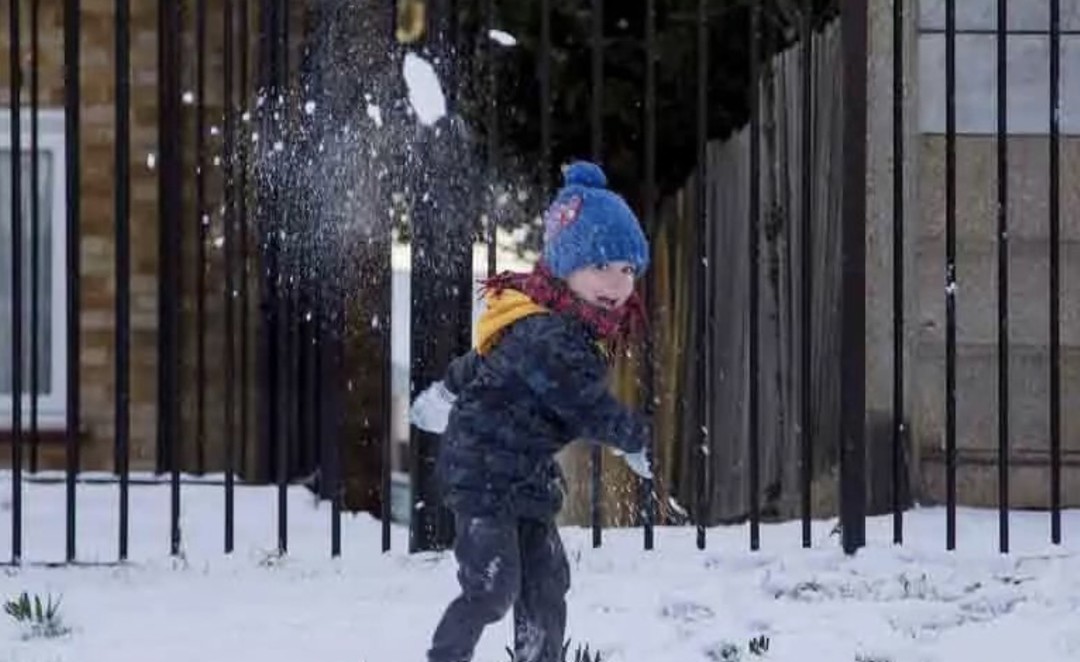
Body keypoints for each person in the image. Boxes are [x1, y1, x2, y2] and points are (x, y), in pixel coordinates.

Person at [409, 160, 653, 662]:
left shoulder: (557, 321)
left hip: (525, 474)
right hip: (483, 475)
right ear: (567, 267)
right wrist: (634, 438)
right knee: (493, 587)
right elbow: (583, 404)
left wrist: (447, 393)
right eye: (602, 266)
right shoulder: (552, 335)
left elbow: (483, 360)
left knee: (545, 583)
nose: (617, 282)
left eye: (627, 269)